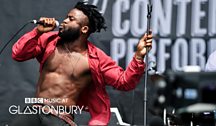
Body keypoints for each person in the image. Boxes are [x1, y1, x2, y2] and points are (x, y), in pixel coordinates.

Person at [11, 1, 153, 126]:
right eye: (66, 17)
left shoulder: (95, 58)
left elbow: (124, 82)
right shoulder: (48, 41)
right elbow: (18, 54)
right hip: (34, 110)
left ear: (84, 29)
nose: (64, 21)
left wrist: (138, 57)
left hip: (60, 117)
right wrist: (37, 32)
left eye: (71, 19)